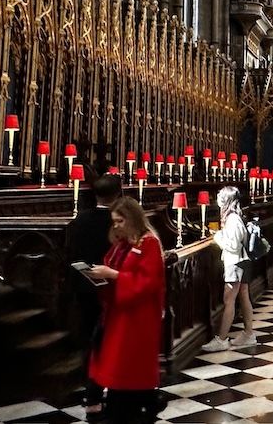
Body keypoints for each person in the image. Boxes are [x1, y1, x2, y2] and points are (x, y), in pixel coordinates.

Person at [86, 198, 166, 424]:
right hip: (118, 316)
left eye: (121, 220)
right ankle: (142, 403)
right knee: (116, 371)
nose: (117, 225)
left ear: (132, 218)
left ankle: (139, 405)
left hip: (138, 320)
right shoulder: (123, 243)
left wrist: (112, 276)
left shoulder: (148, 243)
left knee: (128, 372)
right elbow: (112, 265)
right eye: (114, 221)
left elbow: (148, 282)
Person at [68, 172, 120, 422]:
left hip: (84, 286)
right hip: (110, 290)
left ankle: (89, 386)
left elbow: (72, 253)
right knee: (109, 340)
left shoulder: (81, 219)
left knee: (89, 337)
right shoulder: (118, 222)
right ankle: (103, 388)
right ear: (118, 195)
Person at [202, 187, 256, 352]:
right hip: (243, 261)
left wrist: (217, 236)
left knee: (229, 300)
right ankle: (248, 334)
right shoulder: (236, 216)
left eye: (220, 197)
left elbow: (232, 245)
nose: (217, 200)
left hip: (236, 262)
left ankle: (222, 339)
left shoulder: (232, 218)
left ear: (226, 201)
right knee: (243, 296)